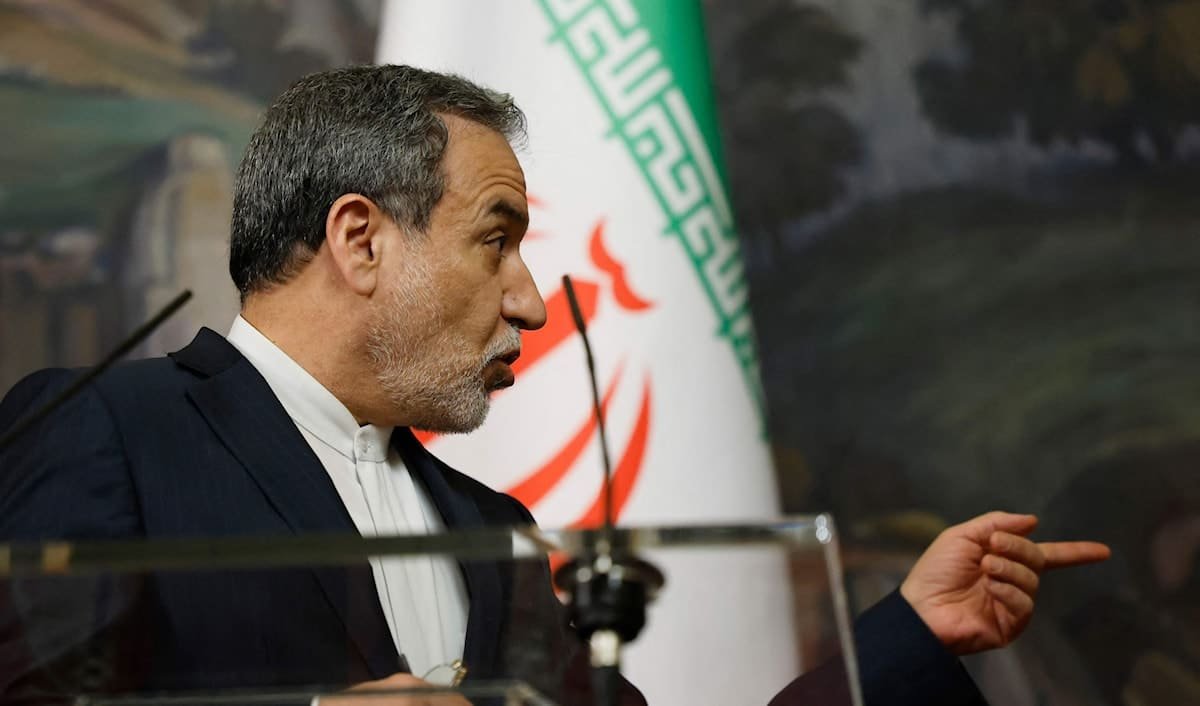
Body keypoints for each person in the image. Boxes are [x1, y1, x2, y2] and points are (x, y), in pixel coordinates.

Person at [0, 65, 1109, 705]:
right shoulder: (106, 431)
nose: (532, 304)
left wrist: (907, 635)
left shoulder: (496, 532)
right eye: (497, 240)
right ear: (360, 239)